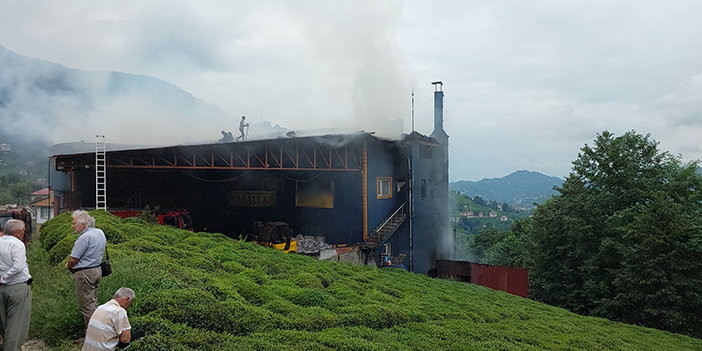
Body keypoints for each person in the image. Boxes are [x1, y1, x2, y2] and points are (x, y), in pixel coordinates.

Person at [66, 211, 107, 327]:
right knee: (92, 302)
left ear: (83, 224)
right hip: (97, 270)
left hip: (85, 273)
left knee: (87, 307)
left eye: (74, 223)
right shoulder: (99, 232)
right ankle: (94, 333)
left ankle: (93, 336)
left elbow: (74, 259)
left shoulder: (84, 237)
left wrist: (68, 266)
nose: (72, 226)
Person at [0, 219, 32, 351]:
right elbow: (18, 266)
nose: (24, 233)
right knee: (16, 325)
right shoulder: (17, 244)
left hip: (1, 289)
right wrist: (3, 278)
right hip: (17, 286)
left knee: (3, 323)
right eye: (23, 231)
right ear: (18, 232)